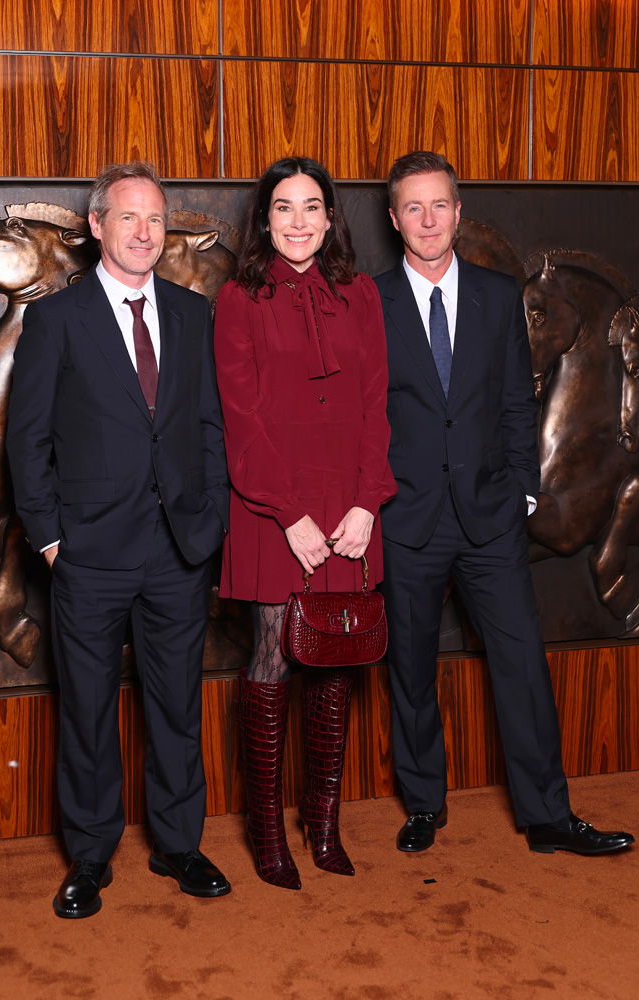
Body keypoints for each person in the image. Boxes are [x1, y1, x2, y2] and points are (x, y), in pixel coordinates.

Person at [375, 151, 634, 856]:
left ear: (457, 213)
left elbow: (517, 401)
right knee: (410, 669)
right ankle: (423, 803)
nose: (427, 220)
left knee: (521, 664)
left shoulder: (496, 295)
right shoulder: (372, 300)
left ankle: (548, 815)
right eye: (412, 207)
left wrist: (523, 486)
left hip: (490, 516)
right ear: (395, 218)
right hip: (409, 518)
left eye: (439, 205)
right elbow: (363, 414)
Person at [6, 161, 232, 918]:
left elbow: (207, 427)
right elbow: (26, 440)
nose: (144, 232)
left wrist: (210, 521)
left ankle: (179, 845)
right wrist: (48, 541)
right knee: (89, 711)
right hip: (88, 554)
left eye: (155, 220)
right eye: (128, 218)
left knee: (175, 707)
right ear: (96, 225)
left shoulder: (192, 313)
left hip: (177, 550)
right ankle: (90, 857)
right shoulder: (56, 319)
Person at [214, 157, 396, 889]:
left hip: (349, 506)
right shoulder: (237, 298)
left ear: (329, 219)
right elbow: (240, 420)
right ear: (264, 219)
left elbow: (375, 407)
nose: (296, 221)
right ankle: (266, 831)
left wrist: (363, 504)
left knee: (337, 658)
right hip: (271, 508)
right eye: (282, 207)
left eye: (310, 207)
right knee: (271, 658)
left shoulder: (360, 296)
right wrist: (288, 515)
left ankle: (323, 825)